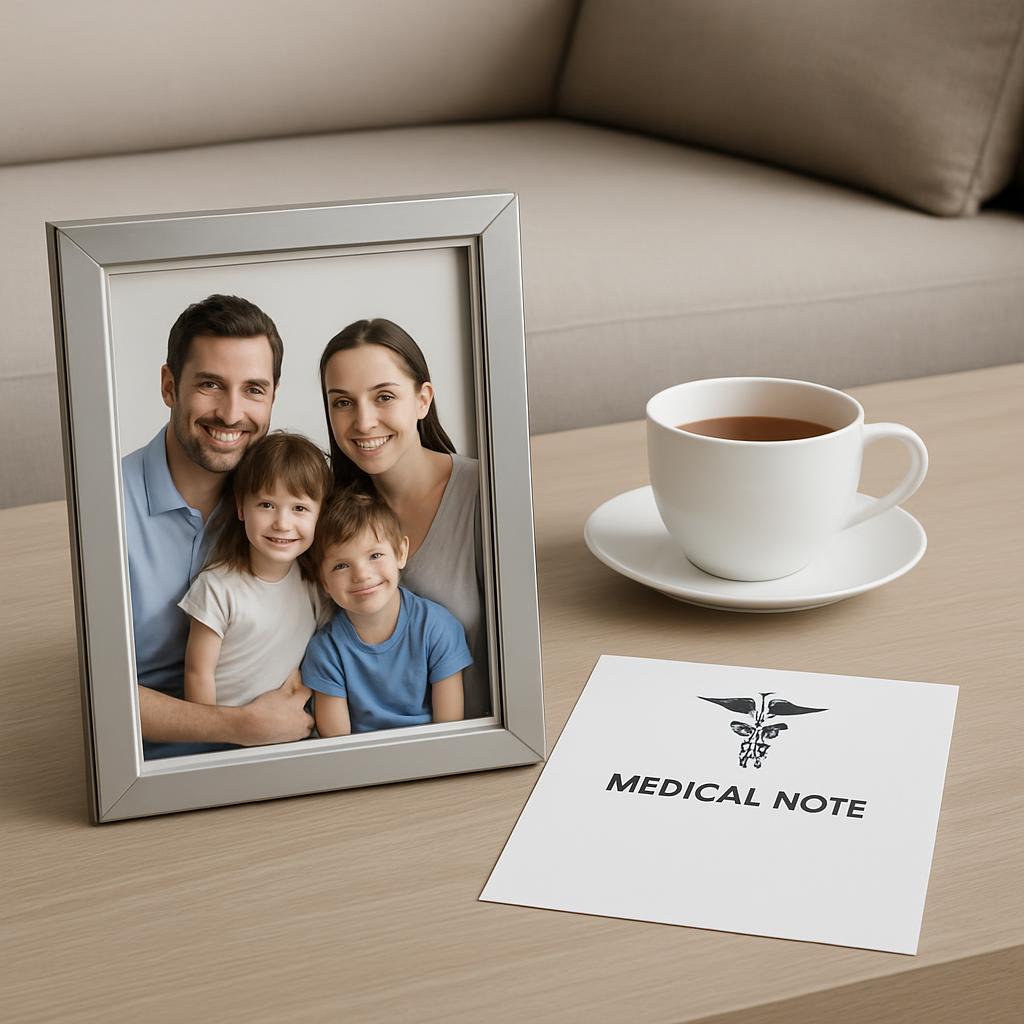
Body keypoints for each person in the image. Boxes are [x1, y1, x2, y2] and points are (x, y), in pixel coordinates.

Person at [121, 294, 314, 758]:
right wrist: (241, 726)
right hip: (143, 767)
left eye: (253, 389)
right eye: (210, 384)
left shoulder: (284, 511)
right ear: (170, 386)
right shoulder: (108, 508)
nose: (231, 414)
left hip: (282, 747)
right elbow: (96, 694)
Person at [318, 318, 490, 719]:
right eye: (342, 402)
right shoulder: (325, 514)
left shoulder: (486, 493)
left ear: (422, 399)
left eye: (383, 397)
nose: (362, 422)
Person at [179, 432, 331, 709]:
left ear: (320, 515)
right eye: (266, 505)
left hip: (288, 732)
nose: (282, 523)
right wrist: (213, 738)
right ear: (241, 507)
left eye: (299, 508)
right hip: (223, 739)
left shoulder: (315, 584)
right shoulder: (216, 587)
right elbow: (198, 674)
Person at [301, 487, 469, 735]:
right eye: (341, 565)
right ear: (323, 582)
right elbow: (337, 747)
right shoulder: (325, 652)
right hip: (361, 767)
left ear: (400, 554)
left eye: (375, 555)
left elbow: (450, 731)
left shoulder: (437, 627)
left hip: (435, 757)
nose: (361, 575)